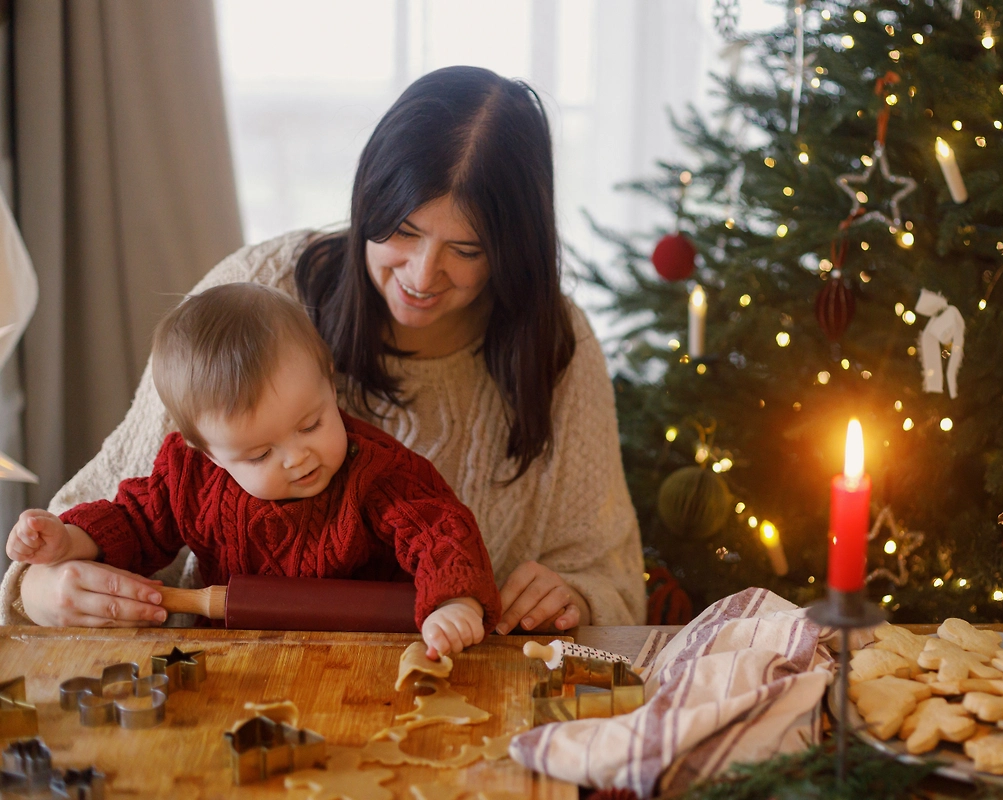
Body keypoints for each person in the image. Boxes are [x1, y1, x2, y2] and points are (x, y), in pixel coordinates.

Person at [2, 65, 645, 632]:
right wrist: (44, 584)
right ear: (368, 202)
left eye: (467, 249)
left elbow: (611, 580)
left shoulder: (555, 344)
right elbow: (116, 510)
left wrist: (577, 598)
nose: (423, 275)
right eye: (403, 230)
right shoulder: (256, 292)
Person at [6, 284, 501, 658]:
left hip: (366, 656)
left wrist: (454, 604)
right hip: (234, 660)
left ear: (329, 384)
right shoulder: (188, 475)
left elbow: (441, 531)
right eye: (260, 455)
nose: (297, 457)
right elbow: (134, 523)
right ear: (208, 454)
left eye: (311, 424)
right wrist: (69, 541)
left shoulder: (378, 472)